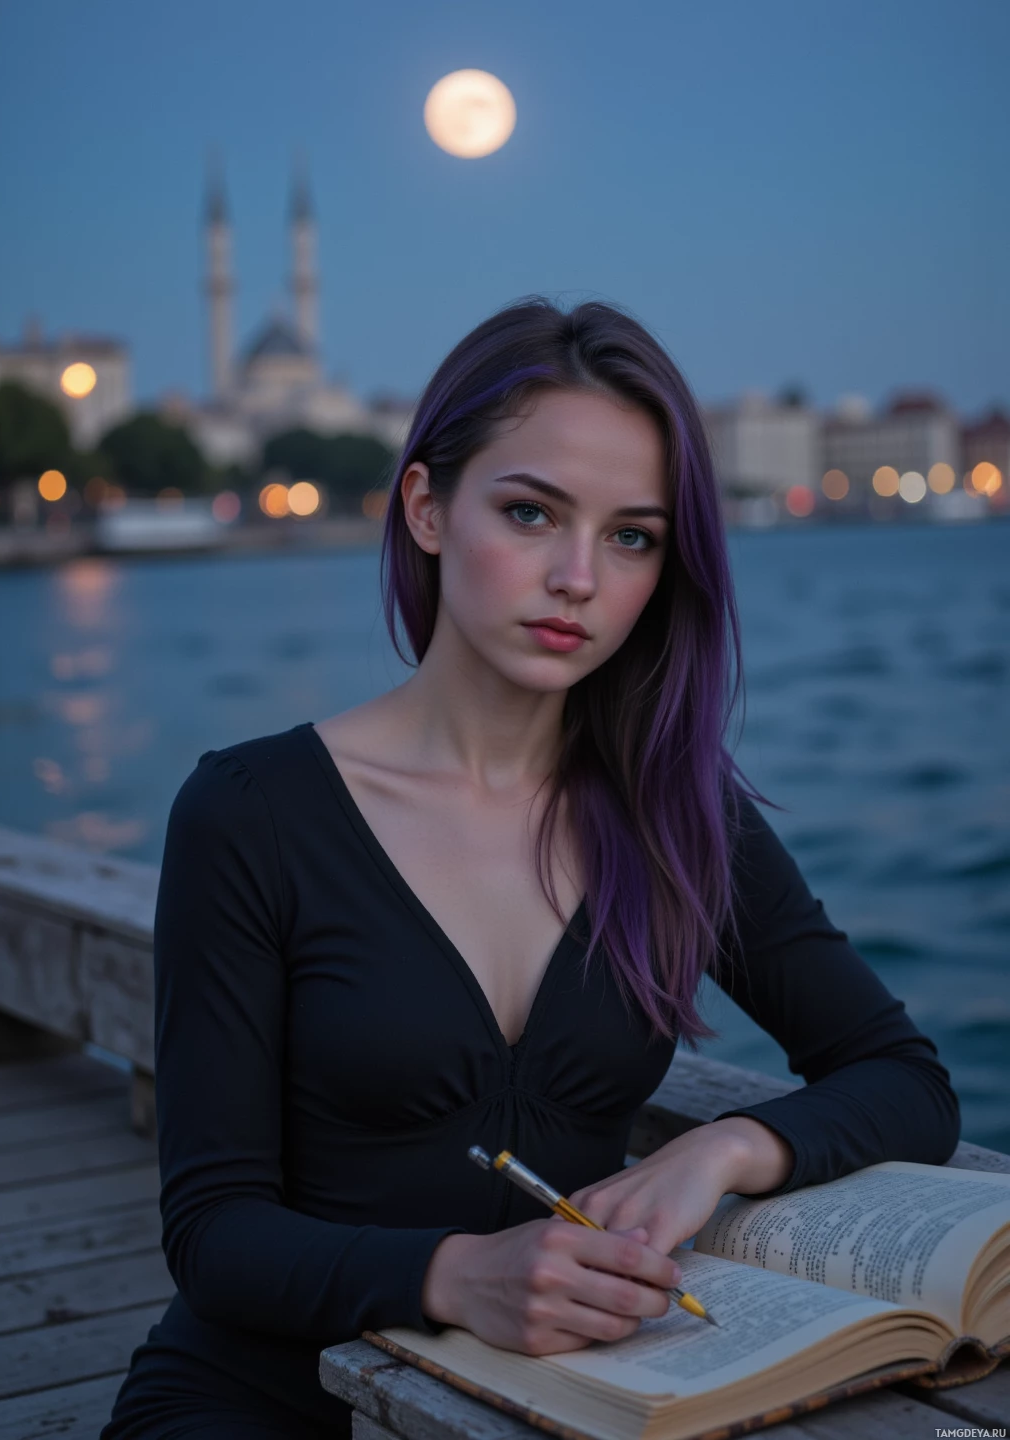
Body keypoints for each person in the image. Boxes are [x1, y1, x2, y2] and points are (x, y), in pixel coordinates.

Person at [102, 299, 959, 1438]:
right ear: (426, 508)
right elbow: (212, 1234)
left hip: (563, 1408)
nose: (577, 577)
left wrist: (724, 1146)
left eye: (631, 536)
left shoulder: (681, 818)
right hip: (265, 1396)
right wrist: (454, 1276)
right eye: (529, 512)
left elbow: (905, 1079)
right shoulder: (250, 814)